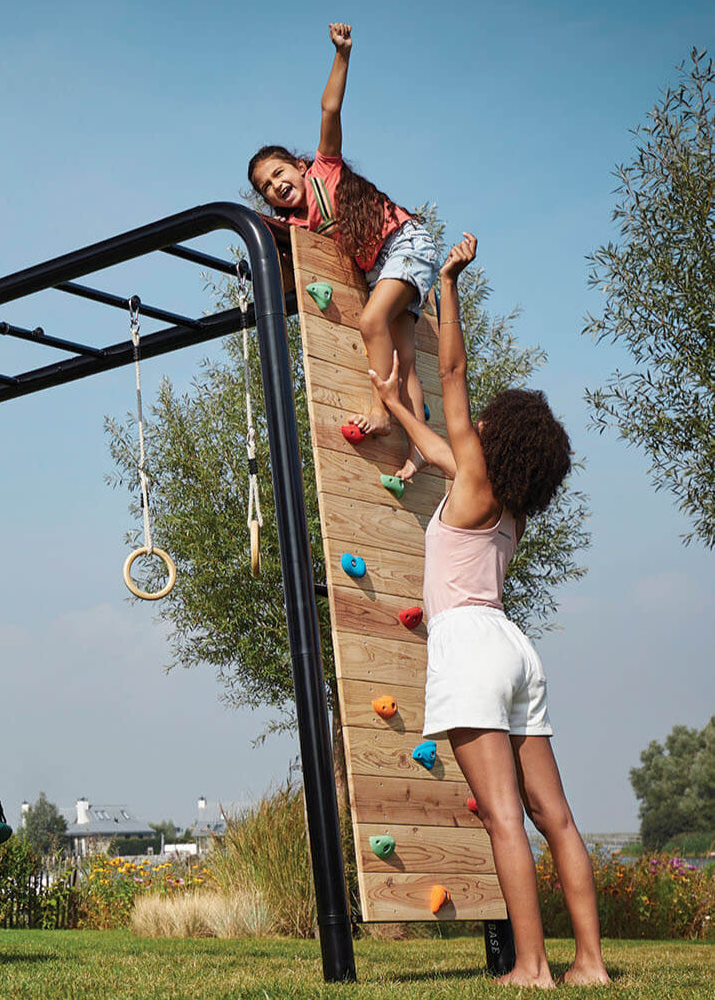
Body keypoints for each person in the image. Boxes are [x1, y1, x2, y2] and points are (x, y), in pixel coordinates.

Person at [368, 233, 609, 989]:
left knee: (504, 815)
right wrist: (396, 409)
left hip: (470, 647)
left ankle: (531, 967)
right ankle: (590, 965)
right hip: (515, 649)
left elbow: (452, 373)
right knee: (555, 817)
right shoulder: (510, 505)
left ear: (500, 436)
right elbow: (443, 453)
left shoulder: (474, 471)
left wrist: (448, 283)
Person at [247, 21, 440, 479]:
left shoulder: (326, 170)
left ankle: (382, 411)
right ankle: (420, 449)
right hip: (380, 270)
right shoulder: (296, 225)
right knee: (405, 359)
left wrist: (342, 53)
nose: (276, 186)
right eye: (267, 187)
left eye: (279, 173)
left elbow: (329, 107)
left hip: (406, 242)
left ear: (299, 165)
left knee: (371, 321)